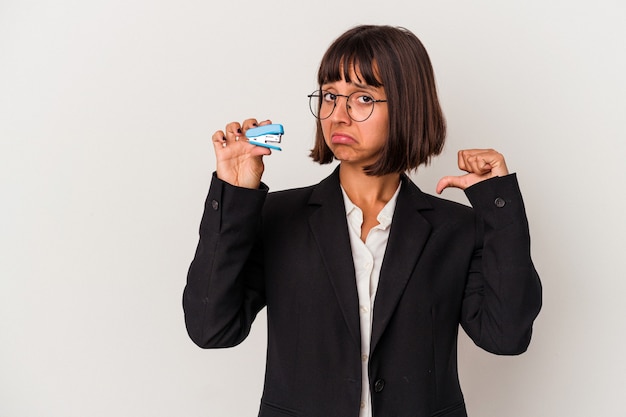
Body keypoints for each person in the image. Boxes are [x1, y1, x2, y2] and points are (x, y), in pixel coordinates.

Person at [183, 24, 542, 417]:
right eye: (330, 96)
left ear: (407, 107)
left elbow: (506, 337)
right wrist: (234, 193)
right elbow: (211, 329)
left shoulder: (457, 228)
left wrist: (499, 206)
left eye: (363, 98)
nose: (338, 114)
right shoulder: (277, 218)